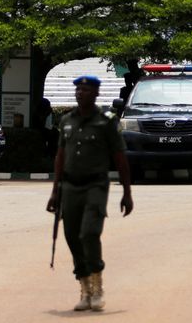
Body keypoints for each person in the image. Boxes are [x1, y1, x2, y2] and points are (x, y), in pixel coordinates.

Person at [46, 75, 134, 312]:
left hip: (96, 185)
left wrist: (127, 192)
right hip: (70, 187)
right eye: (78, 90)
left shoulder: (106, 122)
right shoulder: (67, 120)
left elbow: (120, 158)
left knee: (89, 233)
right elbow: (60, 157)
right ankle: (84, 288)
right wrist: (55, 192)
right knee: (72, 237)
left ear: (96, 93)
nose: (80, 93)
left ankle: (97, 286)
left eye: (85, 90)